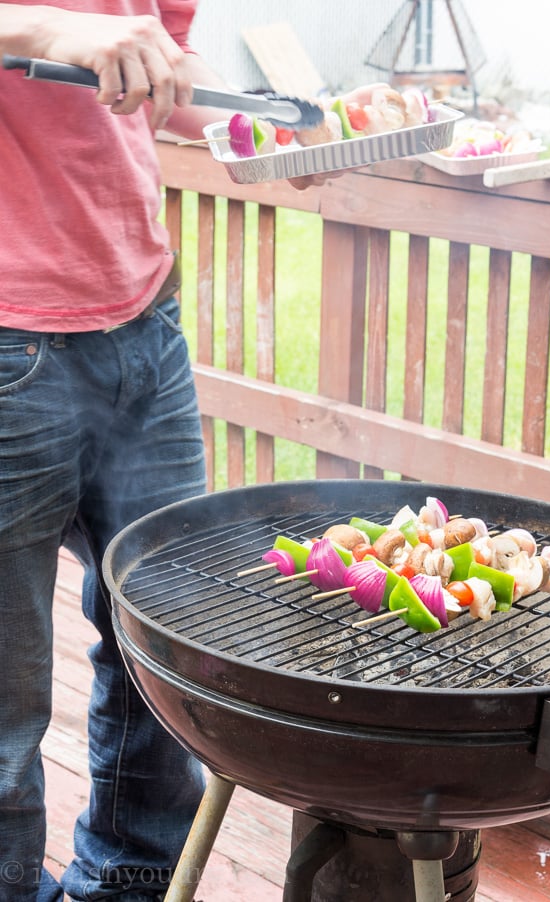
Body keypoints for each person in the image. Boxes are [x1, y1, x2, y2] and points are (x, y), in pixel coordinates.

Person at [0, 3, 340, 901]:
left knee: (167, 643)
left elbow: (166, 65)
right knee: (4, 703)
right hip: (7, 336)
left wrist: (265, 128)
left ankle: (130, 881)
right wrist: (44, 33)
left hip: (144, 321)